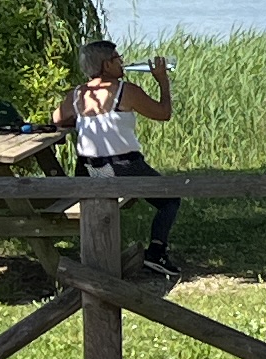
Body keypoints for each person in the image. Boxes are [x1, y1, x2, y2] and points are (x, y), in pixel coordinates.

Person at [64, 38, 182, 277]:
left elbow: (56, 119)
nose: (123, 63)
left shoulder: (76, 94)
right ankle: (156, 253)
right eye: (118, 59)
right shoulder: (126, 91)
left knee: (101, 199)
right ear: (106, 65)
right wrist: (162, 81)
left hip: (87, 168)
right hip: (122, 166)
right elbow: (163, 113)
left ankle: (96, 256)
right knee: (169, 200)